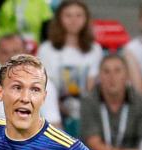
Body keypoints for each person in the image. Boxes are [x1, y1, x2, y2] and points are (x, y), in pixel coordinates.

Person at [38, 0, 102, 136]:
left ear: (86, 19)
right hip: (53, 108)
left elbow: (91, 86)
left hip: (85, 110)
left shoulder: (95, 49)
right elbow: (45, 85)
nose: (74, 20)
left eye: (79, 15)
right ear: (59, 18)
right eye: (68, 15)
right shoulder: (46, 49)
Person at [0, 33, 61, 126]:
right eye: (5, 52)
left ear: (26, 53)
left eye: (15, 51)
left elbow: (54, 123)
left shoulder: (44, 82)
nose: (11, 57)